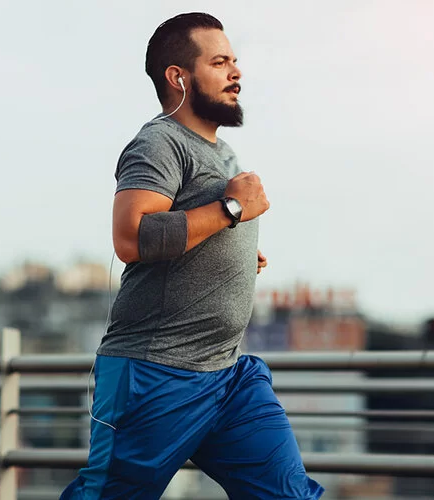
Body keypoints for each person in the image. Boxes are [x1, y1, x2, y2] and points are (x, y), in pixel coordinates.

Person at [59, 12, 324, 500]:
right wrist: (230, 209)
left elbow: (194, 226)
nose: (235, 73)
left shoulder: (222, 152)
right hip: (156, 374)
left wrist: (239, 251)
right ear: (178, 77)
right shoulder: (159, 142)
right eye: (220, 62)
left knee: (289, 495)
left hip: (228, 374)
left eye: (235, 61)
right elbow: (132, 237)